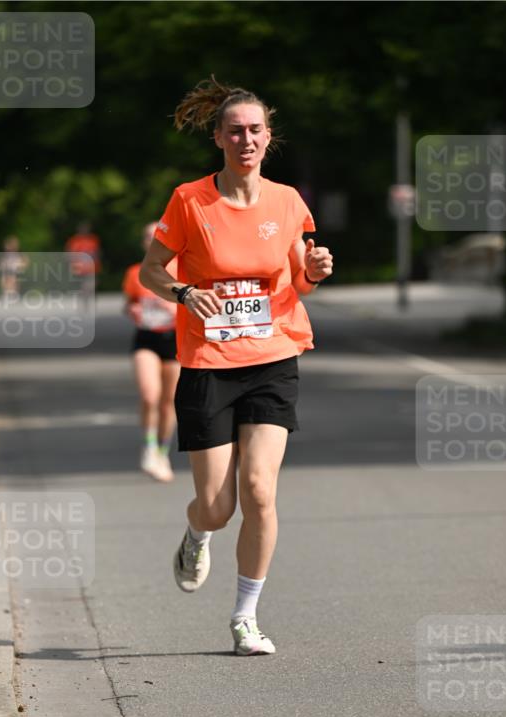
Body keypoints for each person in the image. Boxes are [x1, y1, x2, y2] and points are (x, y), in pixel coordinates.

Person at [139, 77, 333, 655]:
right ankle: (197, 531)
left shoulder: (287, 201)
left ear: (268, 138)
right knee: (220, 507)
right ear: (219, 139)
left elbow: (301, 279)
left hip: (273, 357)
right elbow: (152, 270)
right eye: (235, 131)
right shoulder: (190, 200)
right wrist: (181, 292)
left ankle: (246, 617)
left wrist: (317, 269)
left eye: (255, 130)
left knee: (260, 490)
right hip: (208, 362)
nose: (245, 139)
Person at [123, 222, 180, 482]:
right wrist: (132, 311)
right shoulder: (135, 272)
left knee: (169, 403)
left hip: (176, 340)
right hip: (146, 338)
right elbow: (130, 305)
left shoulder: (182, 270)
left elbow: (203, 306)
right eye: (147, 237)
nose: (151, 241)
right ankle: (148, 448)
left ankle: (162, 452)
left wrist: (176, 311)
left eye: (155, 236)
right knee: (149, 396)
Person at [65, 221, 101, 301]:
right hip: (80, 268)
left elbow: (97, 253)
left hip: (91, 267)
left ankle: (88, 296)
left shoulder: (93, 240)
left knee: (92, 285)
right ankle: (85, 298)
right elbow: (70, 254)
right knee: (83, 285)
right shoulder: (75, 241)